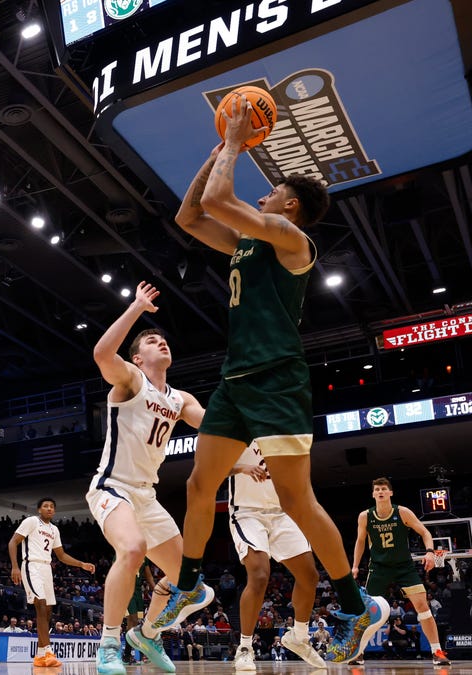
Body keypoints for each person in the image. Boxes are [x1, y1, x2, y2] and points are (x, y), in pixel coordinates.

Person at [153, 94, 386, 664]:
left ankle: (357, 607)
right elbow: (189, 215)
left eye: (274, 190)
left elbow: (218, 200)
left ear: (291, 206)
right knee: (198, 486)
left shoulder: (291, 241)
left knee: (296, 500)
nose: (265, 192)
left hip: (278, 380)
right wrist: (217, 151)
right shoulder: (247, 241)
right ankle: (188, 585)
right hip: (236, 380)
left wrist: (235, 144)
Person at [86, 281, 205, 675]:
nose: (162, 343)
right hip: (112, 486)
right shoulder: (130, 381)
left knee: (192, 586)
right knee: (133, 549)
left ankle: (148, 634)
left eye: (164, 340)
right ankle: (108, 644)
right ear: (137, 358)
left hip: (146, 497)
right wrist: (136, 307)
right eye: (153, 341)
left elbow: (216, 426)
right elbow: (102, 353)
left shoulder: (180, 398)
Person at [226, 443, 326, 671]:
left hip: (282, 512)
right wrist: (242, 468)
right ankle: (244, 648)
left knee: (309, 576)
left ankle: (299, 636)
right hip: (247, 511)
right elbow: (211, 466)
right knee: (260, 575)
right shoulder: (235, 427)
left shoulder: (281, 431)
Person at [350, 477, 452, 665]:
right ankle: (358, 652)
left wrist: (430, 552)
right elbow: (360, 542)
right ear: (373, 494)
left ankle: (437, 651)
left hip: (404, 566)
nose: (380, 491)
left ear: (390, 493)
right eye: (377, 489)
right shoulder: (365, 516)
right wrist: (355, 566)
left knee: (423, 606)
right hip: (379, 568)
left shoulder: (402, 512)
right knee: (368, 611)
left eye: (383, 489)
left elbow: (425, 532)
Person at [8, 497, 96, 668]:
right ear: (39, 510)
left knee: (47, 612)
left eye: (52, 507)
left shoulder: (54, 529)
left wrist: (81, 564)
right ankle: (48, 651)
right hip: (31, 565)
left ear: (54, 511)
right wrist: (15, 567)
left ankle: (40, 656)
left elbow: (62, 556)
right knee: (40, 605)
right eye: (45, 506)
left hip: (46, 569)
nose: (49, 509)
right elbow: (13, 542)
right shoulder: (32, 521)